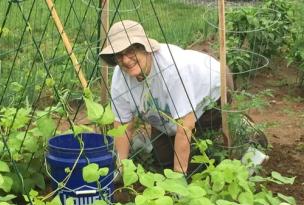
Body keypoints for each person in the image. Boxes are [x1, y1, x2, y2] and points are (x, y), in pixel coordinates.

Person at [99, 20, 233, 175]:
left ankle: (239, 130)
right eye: (119, 55)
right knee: (163, 160)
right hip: (166, 108)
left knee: (194, 164)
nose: (126, 60)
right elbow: (123, 124)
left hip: (213, 89)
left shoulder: (172, 69)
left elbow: (185, 125)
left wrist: (178, 179)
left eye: (130, 51)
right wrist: (120, 168)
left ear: (145, 49)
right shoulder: (120, 78)